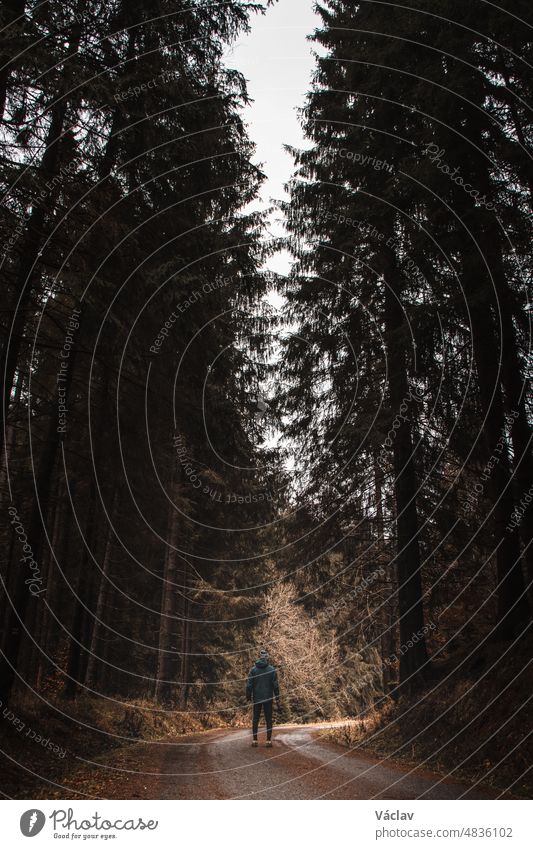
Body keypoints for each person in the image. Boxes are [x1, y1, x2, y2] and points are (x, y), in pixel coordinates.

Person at [246, 649, 280, 747]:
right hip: (268, 698)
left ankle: (255, 740)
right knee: (268, 719)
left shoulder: (253, 670)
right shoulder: (272, 670)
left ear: (259, 657)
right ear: (267, 657)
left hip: (257, 698)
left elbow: (249, 685)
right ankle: (268, 741)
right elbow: (275, 685)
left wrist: (248, 696)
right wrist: (277, 697)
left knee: (255, 719)